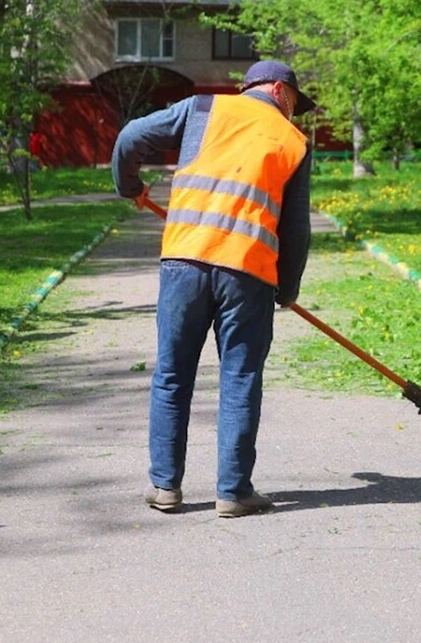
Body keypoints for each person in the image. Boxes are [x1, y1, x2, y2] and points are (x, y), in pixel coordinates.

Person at [112, 59, 315, 518]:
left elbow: (128, 139)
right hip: (248, 273)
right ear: (281, 91)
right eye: (295, 103)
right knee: (240, 377)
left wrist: (129, 187)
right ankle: (234, 491)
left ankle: (164, 486)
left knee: (172, 373)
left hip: (184, 262)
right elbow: (296, 228)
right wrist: (288, 287)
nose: (295, 112)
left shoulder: (201, 109)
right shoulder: (294, 141)